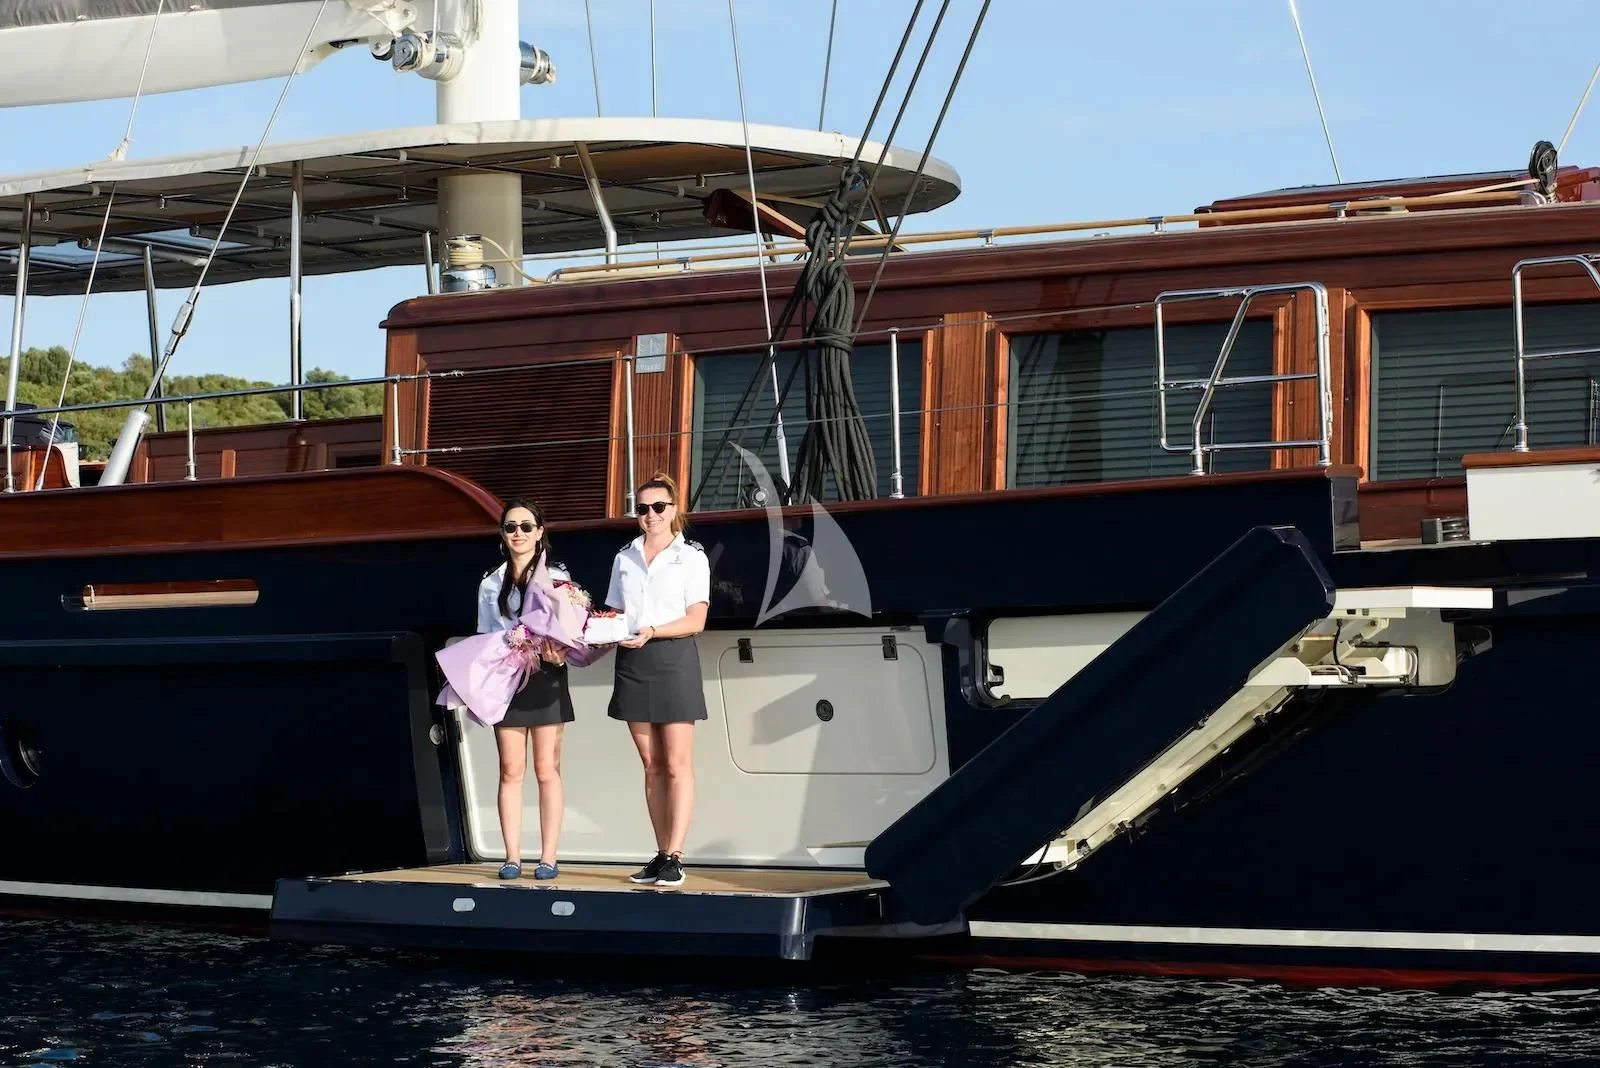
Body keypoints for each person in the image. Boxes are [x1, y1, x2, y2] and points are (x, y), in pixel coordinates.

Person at [604, 472, 711, 888]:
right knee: (651, 765)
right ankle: (661, 852)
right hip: (633, 661)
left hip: (674, 658)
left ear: (673, 510)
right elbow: (613, 612)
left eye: (658, 507)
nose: (650, 515)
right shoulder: (623, 557)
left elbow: (696, 619)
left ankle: (676, 856)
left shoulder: (691, 556)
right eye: (643, 508)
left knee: (678, 763)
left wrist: (652, 630)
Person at [477, 497, 573, 881]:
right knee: (510, 770)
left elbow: (571, 627)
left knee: (546, 769)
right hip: (508, 681)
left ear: (540, 532)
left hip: (547, 675)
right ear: (502, 535)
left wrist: (559, 653)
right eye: (510, 527)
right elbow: (484, 637)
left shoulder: (557, 575)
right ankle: (512, 856)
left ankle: (548, 857)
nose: (518, 533)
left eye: (526, 526)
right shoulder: (490, 582)